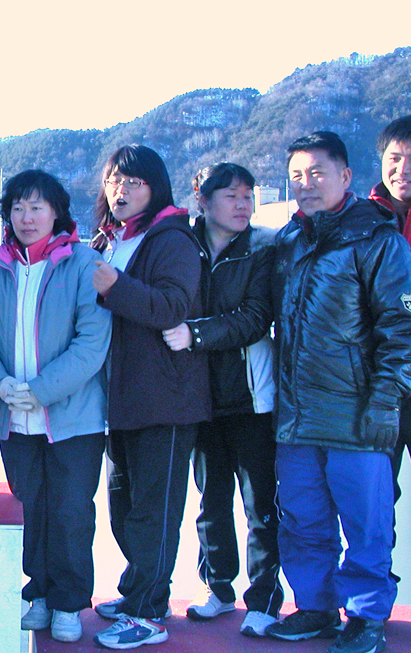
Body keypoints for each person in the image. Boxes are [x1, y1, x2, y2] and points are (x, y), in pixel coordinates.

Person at [263, 131, 411, 653]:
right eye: (297, 176)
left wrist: (386, 401)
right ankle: (315, 607)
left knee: (366, 525)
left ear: (346, 177)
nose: (306, 185)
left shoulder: (378, 239)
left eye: (318, 173)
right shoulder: (288, 240)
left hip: (357, 413)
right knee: (303, 518)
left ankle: (367, 617)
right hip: (297, 415)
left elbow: (401, 328)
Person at [0, 170, 110, 643]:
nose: (27, 218)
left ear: (57, 213)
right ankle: (39, 595)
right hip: (12, 414)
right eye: (18, 208)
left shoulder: (83, 263)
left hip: (74, 416)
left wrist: (42, 389)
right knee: (30, 508)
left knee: (71, 510)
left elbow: (91, 345)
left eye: (37, 208)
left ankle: (70, 601)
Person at [87, 144, 209, 649]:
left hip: (166, 399)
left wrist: (115, 286)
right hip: (121, 400)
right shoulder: (109, 239)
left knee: (154, 511)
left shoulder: (172, 239)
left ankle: (149, 612)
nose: (121, 189)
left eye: (134, 182)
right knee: (123, 507)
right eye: (115, 180)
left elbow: (173, 306)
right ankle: (138, 590)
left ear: (155, 188)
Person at [162, 163, 283, 637]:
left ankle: (265, 597)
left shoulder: (263, 250)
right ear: (202, 201)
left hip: (251, 395)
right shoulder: (182, 245)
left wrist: (195, 333)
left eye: (248, 196)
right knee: (210, 500)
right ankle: (218, 586)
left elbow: (255, 317)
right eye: (231, 196)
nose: (243, 205)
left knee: (260, 503)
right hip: (199, 396)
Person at [369, 115, 411, 503]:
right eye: (396, 158)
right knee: (380, 487)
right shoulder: (361, 221)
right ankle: (381, 565)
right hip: (378, 378)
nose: (404, 170)